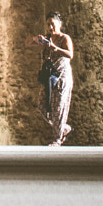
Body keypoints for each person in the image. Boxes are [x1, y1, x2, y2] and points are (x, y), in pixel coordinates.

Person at [32, 12, 75, 145]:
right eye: (48, 24)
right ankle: (64, 128)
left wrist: (56, 49)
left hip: (62, 77)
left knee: (59, 107)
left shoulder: (64, 38)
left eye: (53, 24)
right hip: (50, 78)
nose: (51, 27)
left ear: (59, 24)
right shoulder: (47, 39)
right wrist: (36, 40)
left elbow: (70, 54)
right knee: (42, 106)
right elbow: (28, 42)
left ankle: (57, 139)